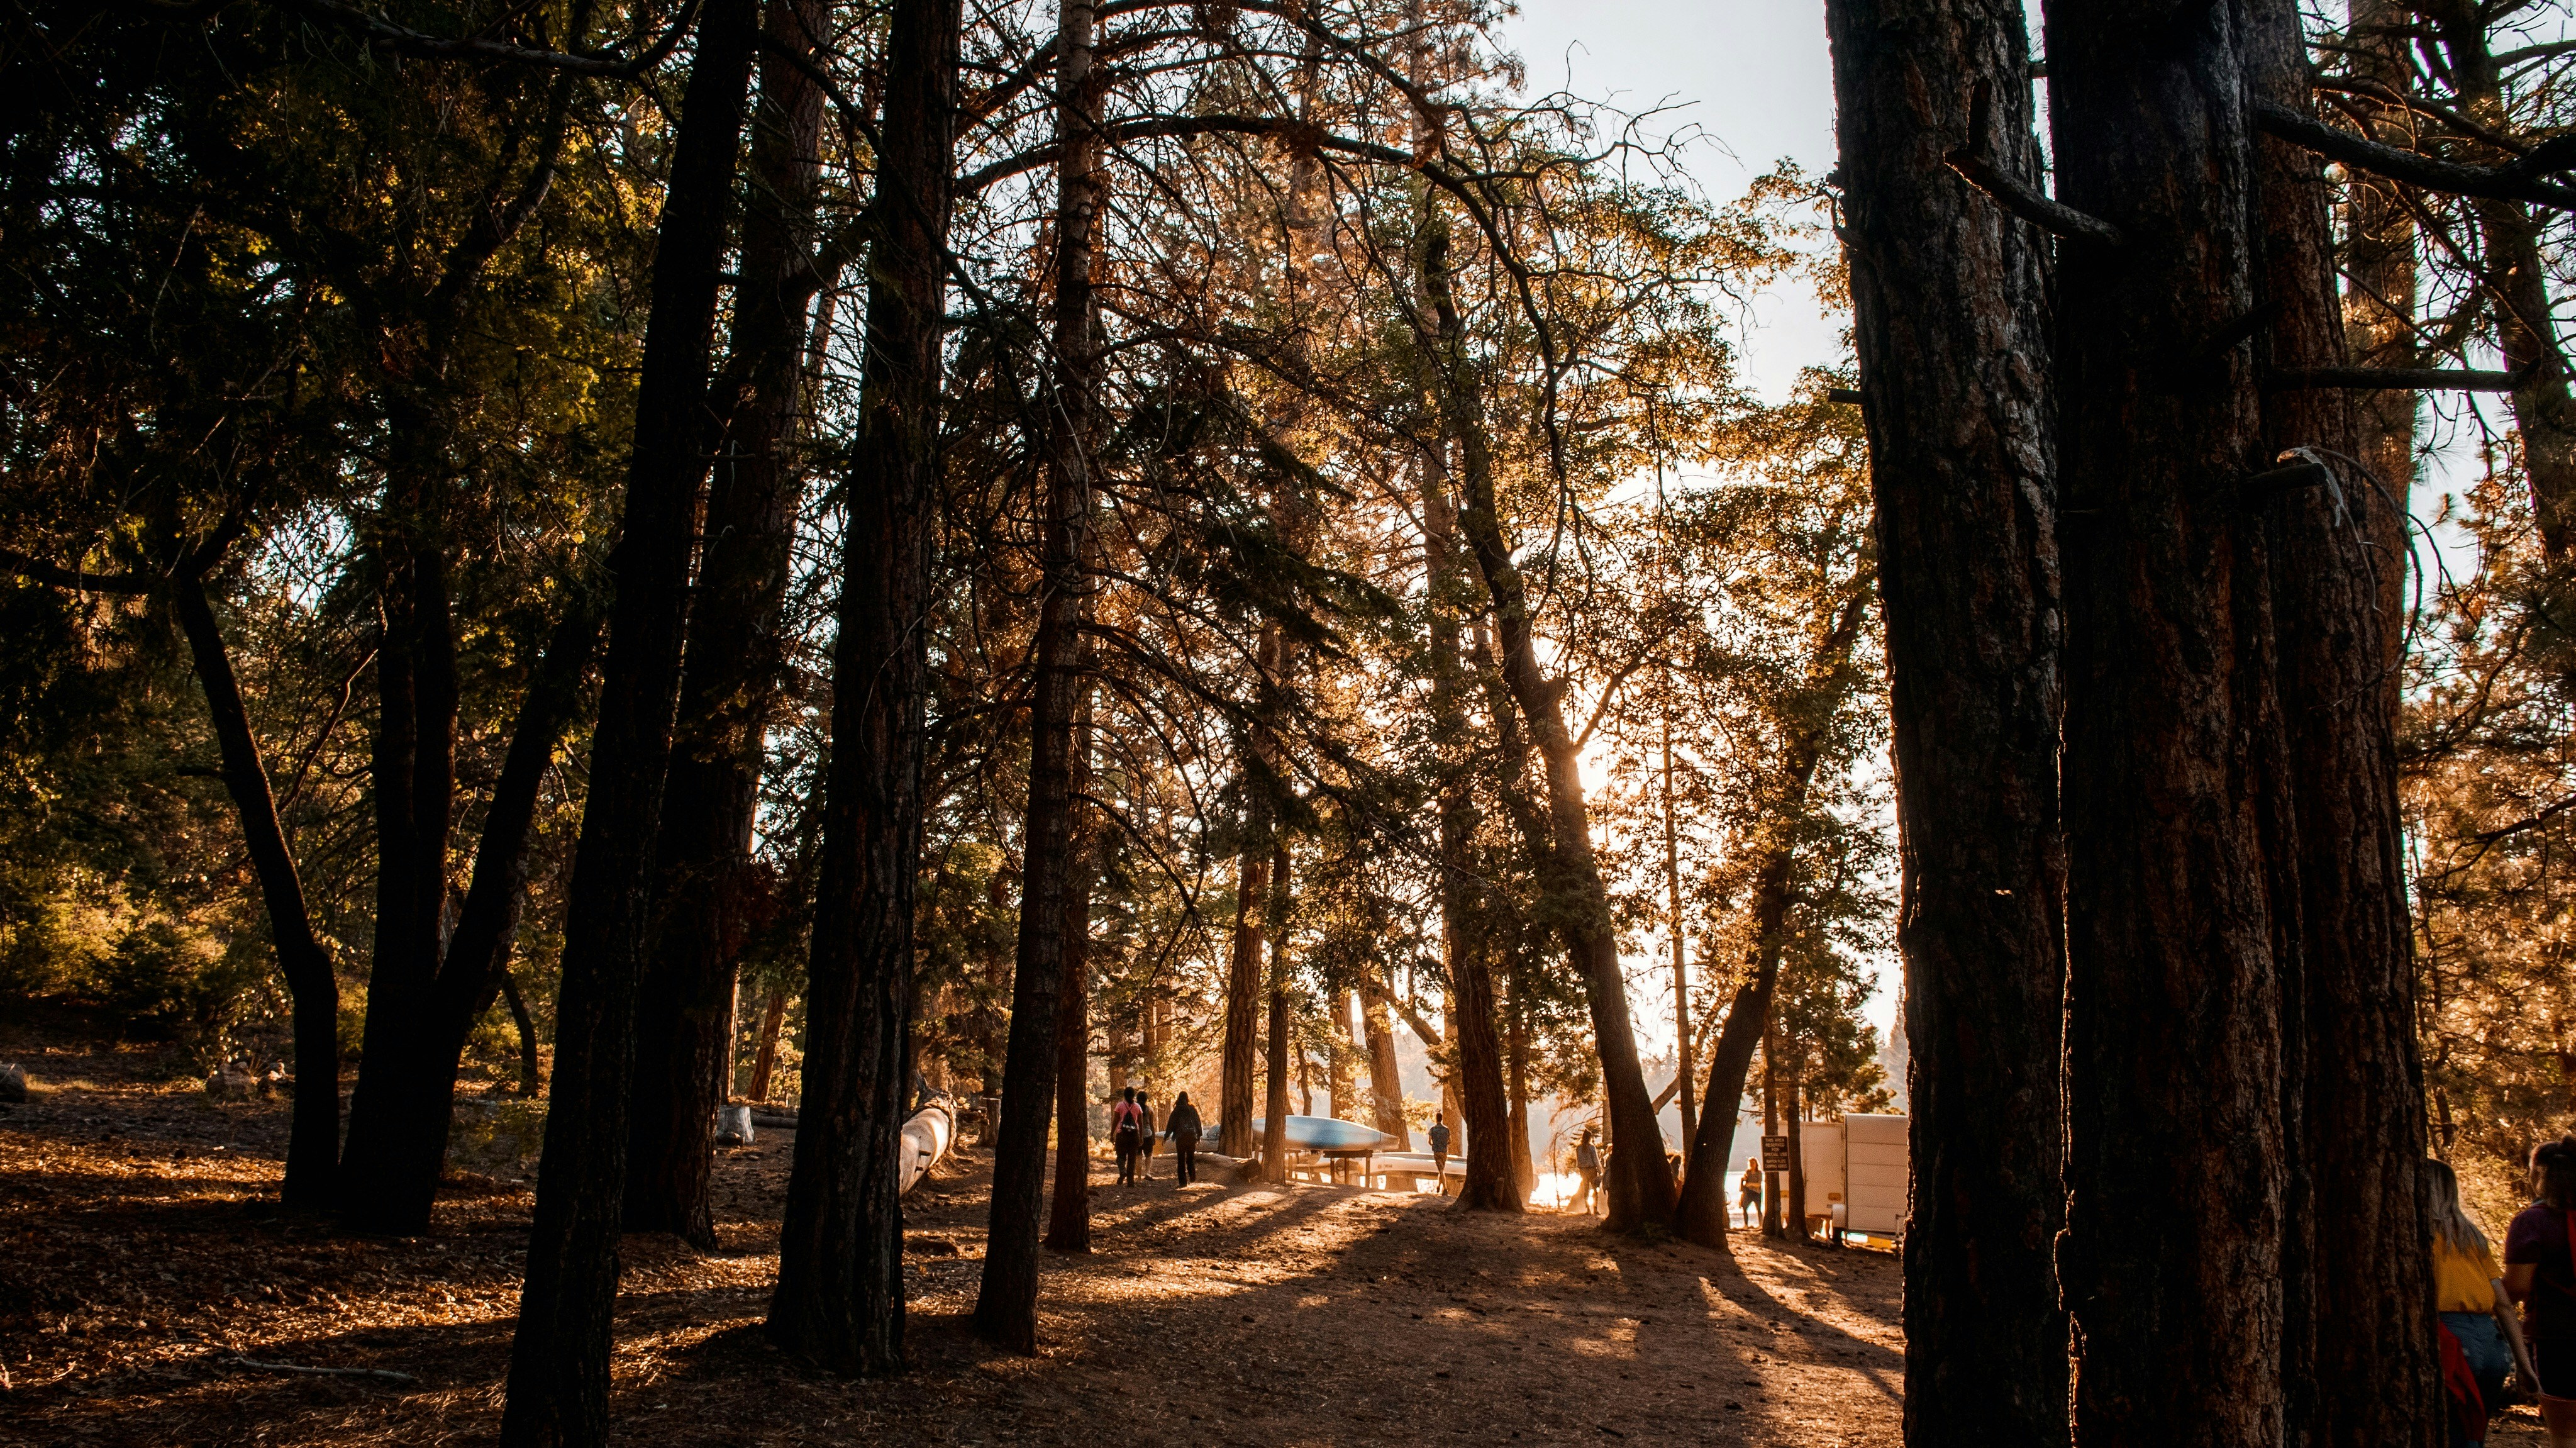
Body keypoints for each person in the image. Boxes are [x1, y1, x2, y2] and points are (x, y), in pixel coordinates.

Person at [2435, 1157, 2537, 1447]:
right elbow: (2503, 1303)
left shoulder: (2416, 1236)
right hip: (2491, 1344)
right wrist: (2523, 1363)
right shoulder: (2472, 1238)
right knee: (2475, 1432)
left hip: (2451, 1337)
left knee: (2452, 1432)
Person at [2508, 1137, 2576, 1448]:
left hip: (2558, 1337)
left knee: (2567, 1435)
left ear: (2539, 1175)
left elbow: (2517, 1287)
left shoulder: (2532, 1223)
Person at [1165, 1091, 1203, 1186]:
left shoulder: (1177, 1110)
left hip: (1181, 1138)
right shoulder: (1192, 1110)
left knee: (1181, 1159)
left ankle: (1183, 1182)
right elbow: (1198, 1123)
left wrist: (1166, 1136)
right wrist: (1199, 1136)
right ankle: (1192, 1175)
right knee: (1190, 1158)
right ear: (1187, 1098)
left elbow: (1171, 1124)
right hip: (1191, 1137)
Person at [1111, 1088, 1143, 1185]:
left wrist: (1112, 1133)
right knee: (1132, 1159)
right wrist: (1141, 1137)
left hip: (1122, 1134)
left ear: (1124, 1095)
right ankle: (1131, 1182)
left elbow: (1116, 1120)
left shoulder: (1120, 1105)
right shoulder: (1137, 1107)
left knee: (1120, 1156)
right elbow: (1141, 1123)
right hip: (1134, 1136)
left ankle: (1122, 1171)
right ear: (1133, 1096)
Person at [1572, 1127, 1602, 1217]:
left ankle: (1588, 1209)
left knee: (1586, 1190)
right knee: (1595, 1190)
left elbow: (1579, 1161)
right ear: (1590, 1138)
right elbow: (1596, 1160)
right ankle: (1595, 1210)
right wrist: (1600, 1171)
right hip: (1592, 1170)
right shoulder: (1592, 1147)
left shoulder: (1579, 1148)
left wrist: (1581, 1170)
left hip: (1583, 1171)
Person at [1135, 1092, 1157, 1181]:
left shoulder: (1135, 1109)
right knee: (1149, 1155)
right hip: (1148, 1134)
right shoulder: (1150, 1110)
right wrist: (1154, 1136)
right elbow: (1152, 1124)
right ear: (1146, 1099)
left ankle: (1139, 1177)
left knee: (1138, 1156)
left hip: (1137, 1135)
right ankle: (1148, 1172)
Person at [1428, 1114, 1452, 1196]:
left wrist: (1434, 1145)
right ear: (1442, 1119)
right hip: (1444, 1152)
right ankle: (1439, 1187)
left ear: (1436, 1119)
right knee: (1441, 1170)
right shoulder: (1447, 1130)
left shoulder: (1433, 1129)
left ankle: (1445, 1189)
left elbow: (1429, 1142)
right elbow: (1450, 1141)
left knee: (1441, 1170)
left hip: (1437, 1152)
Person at [1738, 1156, 1763, 1230]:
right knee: (1745, 1207)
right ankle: (1746, 1225)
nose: (1752, 1164)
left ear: (1756, 1164)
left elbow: (1759, 1184)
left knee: (1758, 1209)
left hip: (1757, 1192)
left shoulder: (1759, 1172)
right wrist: (1743, 1180)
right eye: (1751, 1163)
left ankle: (1761, 1225)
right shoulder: (1748, 1172)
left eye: (1753, 1163)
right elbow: (1745, 1179)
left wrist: (1751, 1184)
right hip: (1748, 1192)